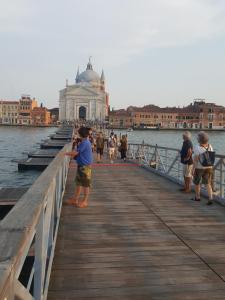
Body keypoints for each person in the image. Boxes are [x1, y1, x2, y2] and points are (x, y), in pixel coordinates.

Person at [64, 127, 93, 208]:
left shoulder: (85, 143)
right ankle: (75, 199)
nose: (78, 134)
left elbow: (75, 152)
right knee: (79, 183)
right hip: (81, 165)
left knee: (85, 185)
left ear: (81, 134)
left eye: (78, 133)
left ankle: (85, 201)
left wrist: (64, 153)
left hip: (85, 167)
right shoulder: (84, 141)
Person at [192, 131, 214, 205]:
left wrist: (193, 169)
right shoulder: (210, 146)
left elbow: (195, 160)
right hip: (209, 167)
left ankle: (197, 197)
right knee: (208, 183)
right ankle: (210, 198)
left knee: (197, 183)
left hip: (199, 168)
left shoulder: (197, 147)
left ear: (199, 139)